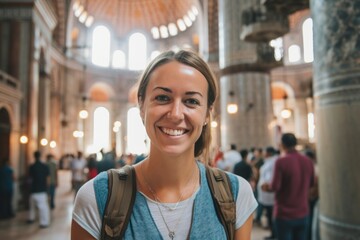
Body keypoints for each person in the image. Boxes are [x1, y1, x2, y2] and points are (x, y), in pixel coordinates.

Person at [71, 50, 257, 239]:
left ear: (207, 114)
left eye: (191, 101)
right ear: (141, 106)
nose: (175, 114)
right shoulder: (97, 197)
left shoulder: (236, 194)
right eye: (162, 98)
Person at [262, 133, 315, 240]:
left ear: (282, 145)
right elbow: (311, 183)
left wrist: (265, 187)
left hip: (284, 214)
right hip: (303, 212)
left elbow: (275, 186)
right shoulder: (308, 161)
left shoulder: (281, 162)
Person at [257, 146, 278, 240]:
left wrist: (264, 185)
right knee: (270, 215)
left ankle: (274, 234)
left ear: (269, 153)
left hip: (270, 194)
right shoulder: (270, 161)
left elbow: (270, 177)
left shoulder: (273, 162)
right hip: (266, 195)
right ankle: (273, 234)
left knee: (272, 216)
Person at [27, 151, 50, 228]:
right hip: (41, 189)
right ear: (40, 156)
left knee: (32, 206)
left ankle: (31, 218)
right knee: (43, 208)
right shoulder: (44, 166)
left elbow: (29, 179)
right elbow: (47, 179)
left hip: (33, 189)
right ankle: (44, 222)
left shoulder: (32, 166)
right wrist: (47, 189)